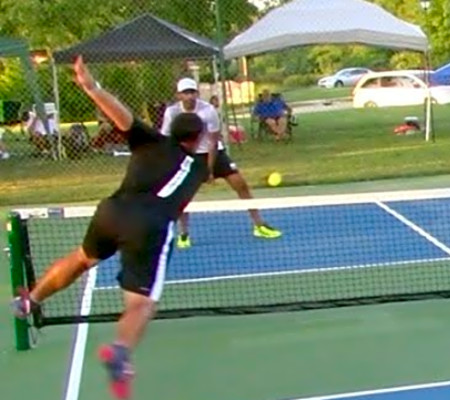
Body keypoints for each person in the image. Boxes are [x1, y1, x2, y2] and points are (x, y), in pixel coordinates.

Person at [11, 56, 209, 399]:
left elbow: (121, 115)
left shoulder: (151, 141)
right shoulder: (199, 169)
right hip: (149, 226)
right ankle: (120, 352)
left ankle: (31, 300)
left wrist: (92, 87)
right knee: (141, 304)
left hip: (112, 211)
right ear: (197, 139)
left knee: (82, 258)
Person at [161, 78, 282, 249]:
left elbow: (212, 140)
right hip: (188, 156)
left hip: (214, 154)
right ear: (178, 95)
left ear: (196, 93)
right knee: (182, 195)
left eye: (192, 92)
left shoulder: (208, 110)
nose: (189, 96)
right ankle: (184, 234)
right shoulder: (172, 112)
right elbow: (166, 138)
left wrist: (209, 170)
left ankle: (259, 225)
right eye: (185, 93)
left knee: (241, 185)